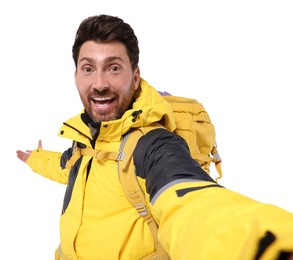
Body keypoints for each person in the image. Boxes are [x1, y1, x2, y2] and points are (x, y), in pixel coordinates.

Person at [16, 14, 293, 260]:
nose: (100, 83)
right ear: (76, 75)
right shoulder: (84, 140)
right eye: (88, 68)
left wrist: (264, 248)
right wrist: (35, 158)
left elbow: (193, 203)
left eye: (114, 68)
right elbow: (66, 166)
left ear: (135, 78)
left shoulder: (154, 144)